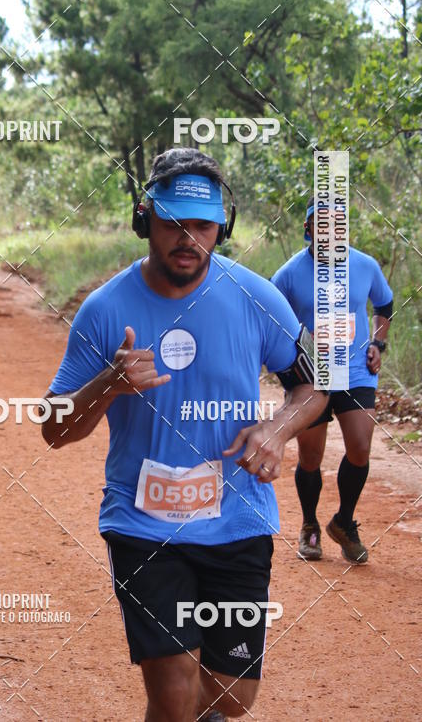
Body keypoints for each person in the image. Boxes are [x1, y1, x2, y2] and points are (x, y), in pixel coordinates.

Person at [42, 148, 327, 722]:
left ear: (223, 227)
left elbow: (315, 388)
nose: (187, 239)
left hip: (239, 520)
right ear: (144, 218)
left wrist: (275, 431)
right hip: (143, 524)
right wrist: (109, 384)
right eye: (172, 222)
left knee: (228, 700)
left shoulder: (256, 297)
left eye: (202, 225)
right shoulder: (104, 309)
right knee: (173, 697)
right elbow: (53, 428)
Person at [271, 196, 393, 564]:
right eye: (321, 226)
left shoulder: (365, 265)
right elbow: (272, 321)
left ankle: (343, 521)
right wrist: (288, 367)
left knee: (360, 446)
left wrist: (377, 343)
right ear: (308, 229)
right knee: (311, 456)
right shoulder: (289, 274)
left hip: (356, 370)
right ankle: (309, 525)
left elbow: (383, 305)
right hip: (312, 375)